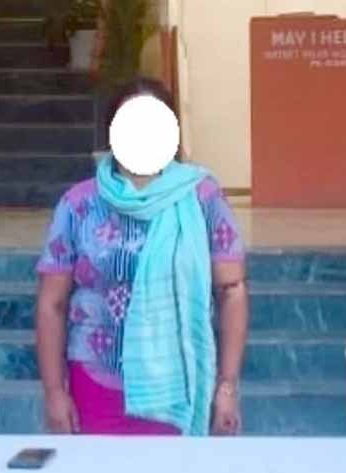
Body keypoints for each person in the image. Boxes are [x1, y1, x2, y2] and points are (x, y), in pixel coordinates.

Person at [35, 77, 248, 436]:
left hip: (179, 386)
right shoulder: (79, 205)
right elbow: (51, 304)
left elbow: (231, 292)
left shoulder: (202, 199)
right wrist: (54, 392)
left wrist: (226, 388)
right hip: (96, 383)